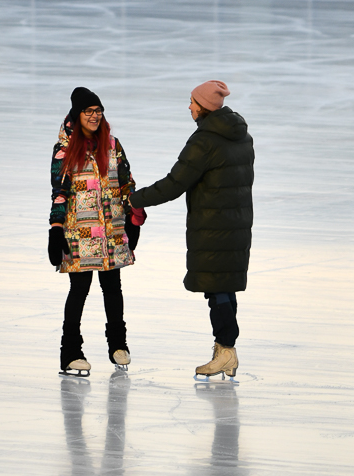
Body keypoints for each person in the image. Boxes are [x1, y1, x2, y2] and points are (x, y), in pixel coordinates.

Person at [129, 80, 254, 379]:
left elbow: (175, 183)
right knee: (223, 285)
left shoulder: (205, 142)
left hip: (213, 227)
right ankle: (226, 351)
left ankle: (225, 351)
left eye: (192, 102)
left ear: (204, 107)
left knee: (218, 288)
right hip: (235, 224)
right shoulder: (241, 136)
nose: (189, 107)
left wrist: (135, 199)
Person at [49, 86, 145, 376]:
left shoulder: (112, 145)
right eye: (89, 112)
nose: (95, 117)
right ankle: (70, 352)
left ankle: (118, 345)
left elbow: (127, 184)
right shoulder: (65, 149)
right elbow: (59, 192)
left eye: (98, 112)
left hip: (112, 229)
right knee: (79, 289)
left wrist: (134, 216)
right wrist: (55, 229)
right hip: (80, 233)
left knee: (112, 286)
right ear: (77, 115)